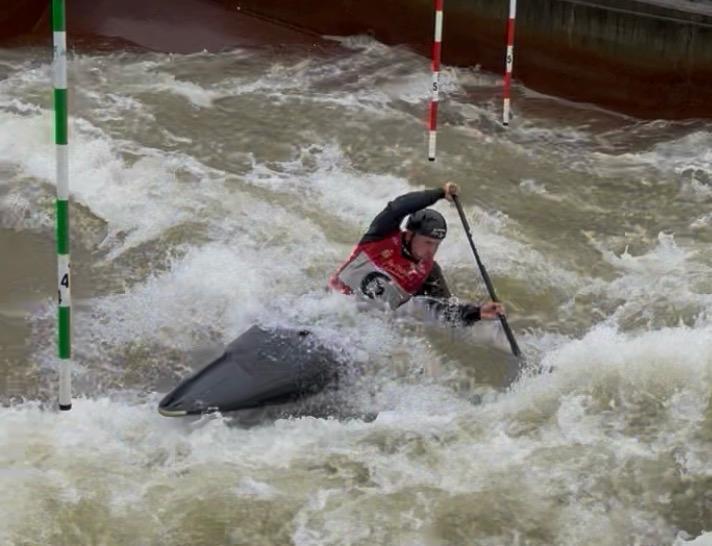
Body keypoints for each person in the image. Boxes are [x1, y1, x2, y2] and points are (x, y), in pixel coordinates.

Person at [329, 182, 505, 326]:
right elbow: (398, 207)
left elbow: (443, 311)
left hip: (363, 328)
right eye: (427, 242)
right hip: (332, 306)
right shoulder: (381, 235)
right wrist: (439, 193)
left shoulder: (428, 271)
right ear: (409, 235)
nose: (432, 250)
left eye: (436, 245)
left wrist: (478, 313)